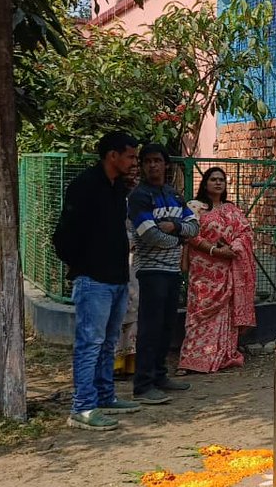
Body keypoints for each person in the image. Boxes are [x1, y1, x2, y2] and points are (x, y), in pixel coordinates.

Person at [52, 130, 142, 430]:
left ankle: (105, 396)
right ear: (112, 155)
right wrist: (83, 266)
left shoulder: (117, 188)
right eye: (129, 155)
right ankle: (82, 407)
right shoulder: (85, 186)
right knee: (90, 343)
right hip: (93, 280)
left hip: (116, 278)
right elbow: (64, 235)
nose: (134, 161)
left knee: (108, 343)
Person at [129, 143, 198, 405]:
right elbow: (149, 234)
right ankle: (143, 384)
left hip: (171, 271)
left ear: (165, 164)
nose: (153, 165)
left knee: (166, 326)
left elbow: (194, 227)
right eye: (147, 161)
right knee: (150, 327)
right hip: (150, 270)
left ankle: (159, 375)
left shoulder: (173, 195)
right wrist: (180, 238)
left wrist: (175, 227)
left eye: (157, 160)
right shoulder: (140, 196)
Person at [178, 167, 257, 373]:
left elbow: (246, 233)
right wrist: (215, 251)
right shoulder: (195, 207)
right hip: (203, 272)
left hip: (227, 271)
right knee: (198, 314)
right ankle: (191, 359)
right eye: (213, 179)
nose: (218, 183)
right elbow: (191, 235)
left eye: (221, 179)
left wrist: (235, 248)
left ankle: (221, 355)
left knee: (225, 315)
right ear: (205, 183)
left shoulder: (232, 210)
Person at [114, 162, 141, 378]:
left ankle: (130, 359)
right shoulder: (113, 199)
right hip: (114, 258)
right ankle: (114, 361)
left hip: (137, 258)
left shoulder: (141, 200)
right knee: (117, 308)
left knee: (135, 304)